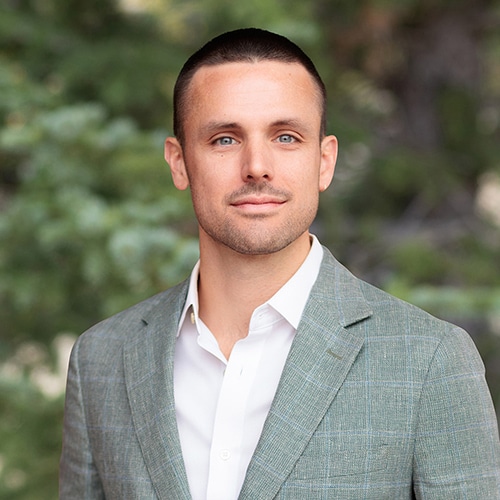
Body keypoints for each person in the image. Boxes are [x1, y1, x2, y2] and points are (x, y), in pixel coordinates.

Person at [59, 28, 500, 499]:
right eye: (225, 139)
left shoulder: (428, 359)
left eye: (286, 137)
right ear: (179, 162)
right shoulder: (101, 359)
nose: (256, 166)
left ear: (324, 161)